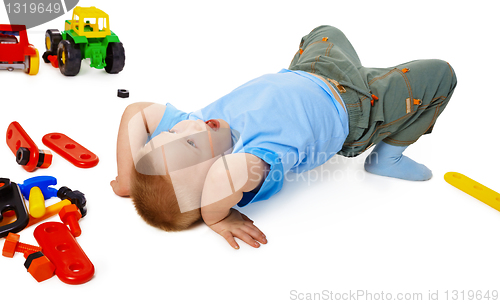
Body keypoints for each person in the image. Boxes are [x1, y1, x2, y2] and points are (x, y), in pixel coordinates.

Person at [111, 25, 457, 249]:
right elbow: (224, 177)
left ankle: (370, 75)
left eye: (170, 132)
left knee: (326, 30)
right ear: (217, 186)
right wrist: (215, 214)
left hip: (312, 70)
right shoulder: (252, 159)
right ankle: (388, 156)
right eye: (189, 144)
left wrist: (128, 179)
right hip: (358, 111)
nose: (188, 126)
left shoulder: (197, 125)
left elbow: (136, 114)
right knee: (441, 74)